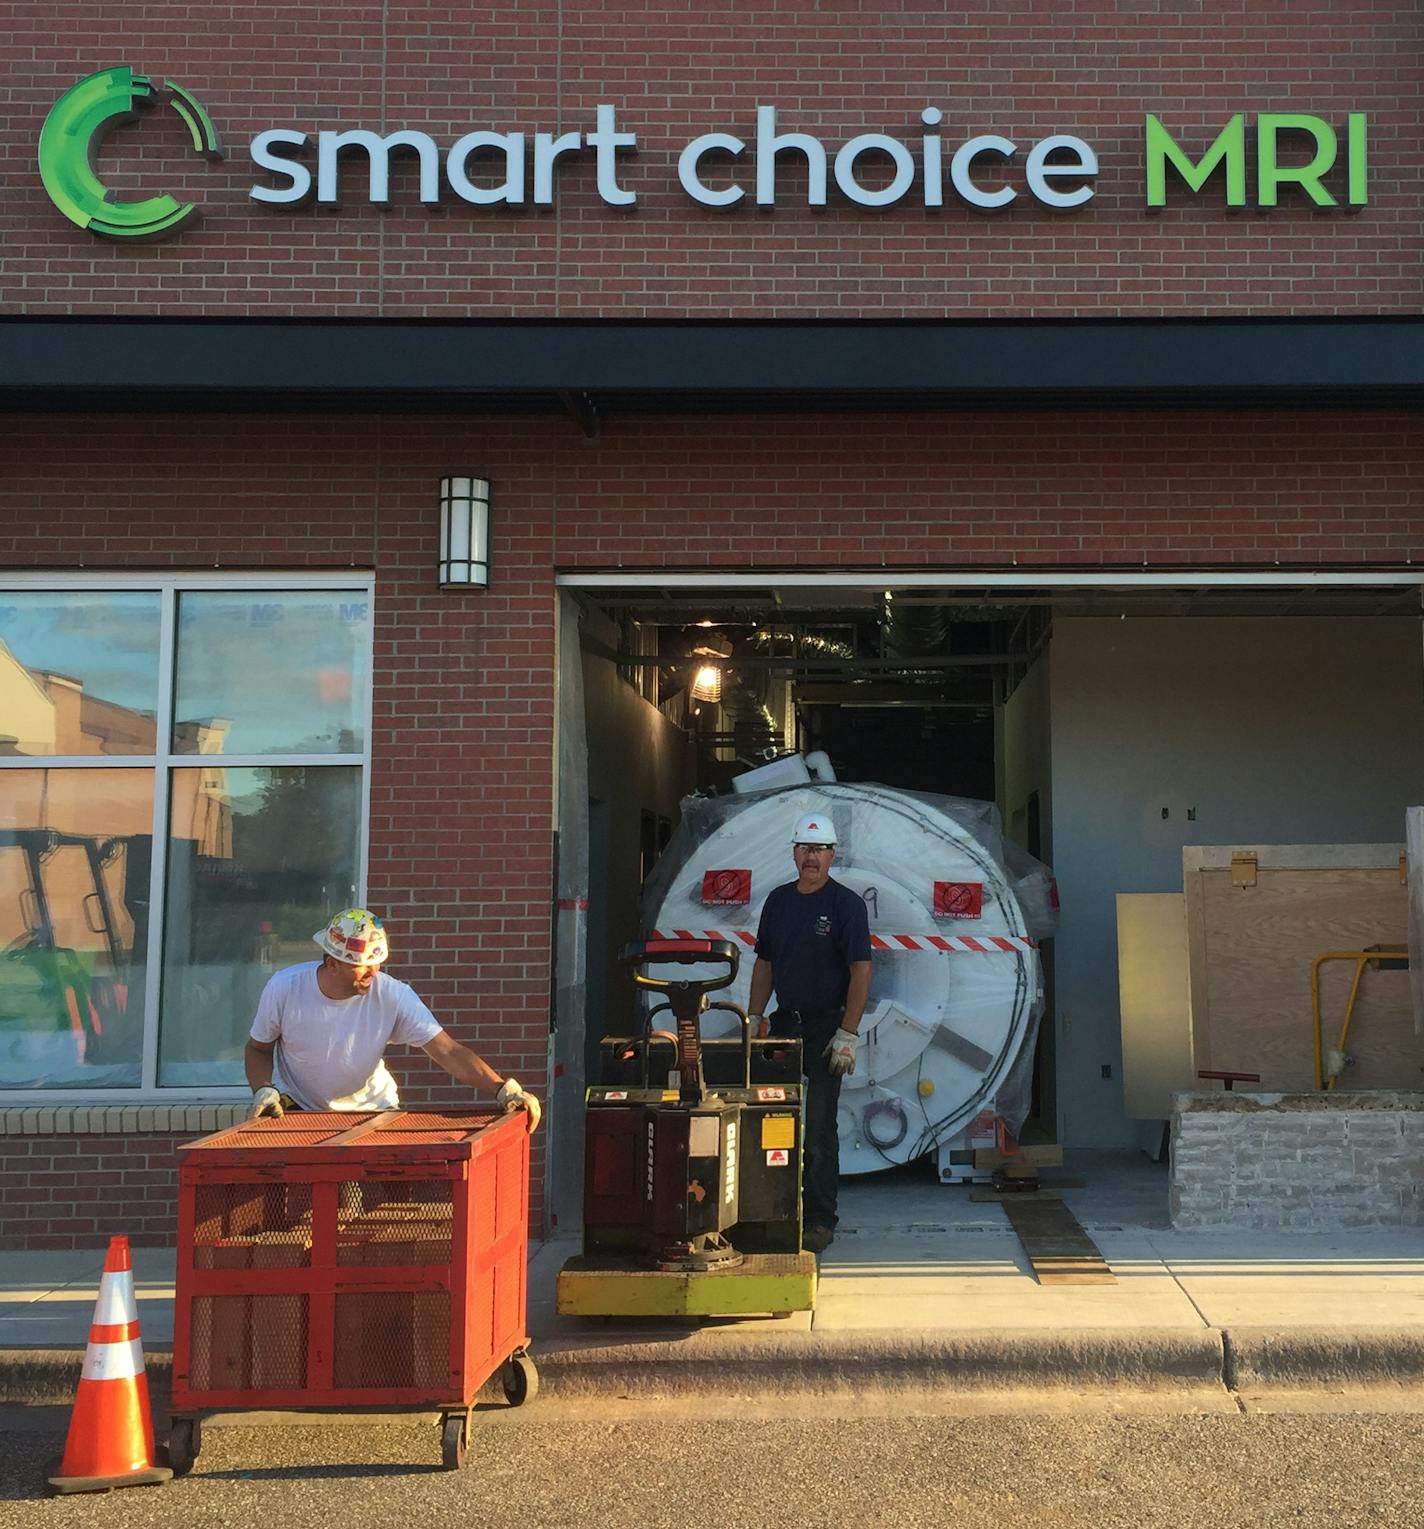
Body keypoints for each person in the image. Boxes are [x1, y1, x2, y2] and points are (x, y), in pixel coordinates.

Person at [244, 908, 541, 1131]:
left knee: (366, 1205)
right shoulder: (286, 987)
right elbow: (257, 1048)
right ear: (332, 963)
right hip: (299, 1109)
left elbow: (447, 1050)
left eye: (378, 964)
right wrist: (265, 1090)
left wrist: (503, 1090)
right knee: (301, 1203)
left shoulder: (392, 994)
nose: (373, 973)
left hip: (373, 1111)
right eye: (363, 966)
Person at [746, 811, 871, 1254]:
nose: (811, 857)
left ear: (832, 854)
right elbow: (765, 963)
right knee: (772, 1122)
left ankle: (820, 1220)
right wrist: (755, 1017)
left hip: (825, 1030)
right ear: (794, 854)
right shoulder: (778, 902)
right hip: (784, 1025)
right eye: (804, 849)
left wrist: (848, 1033)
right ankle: (774, 1211)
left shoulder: (845, 906)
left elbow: (861, 970)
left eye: (818, 849)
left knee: (818, 1132)